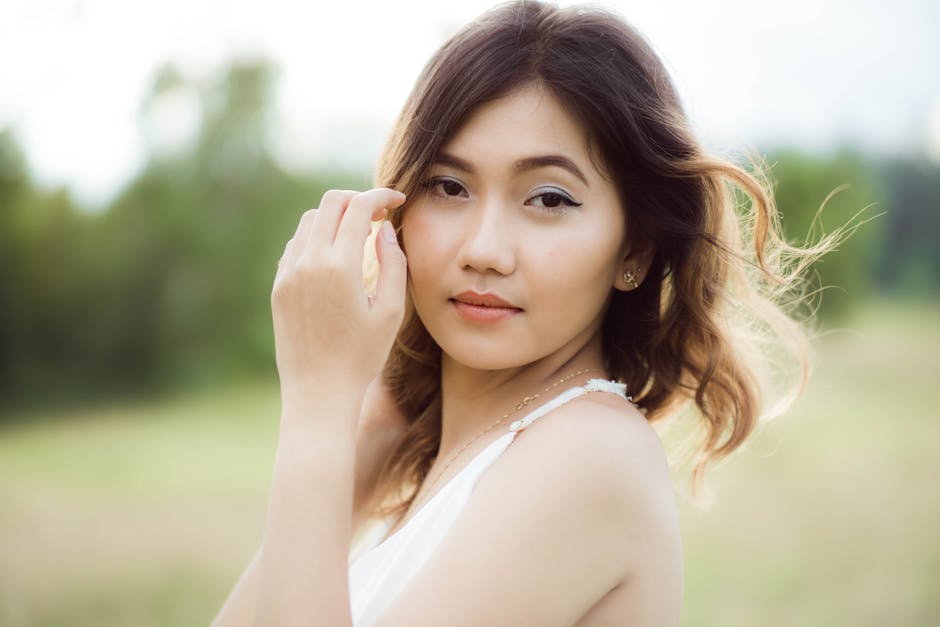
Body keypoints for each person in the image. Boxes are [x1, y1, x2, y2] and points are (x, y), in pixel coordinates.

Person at [212, 0, 828, 624]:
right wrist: (363, 437)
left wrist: (319, 399)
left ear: (634, 248)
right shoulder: (440, 449)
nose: (483, 250)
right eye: (449, 187)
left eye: (549, 198)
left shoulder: (592, 455)